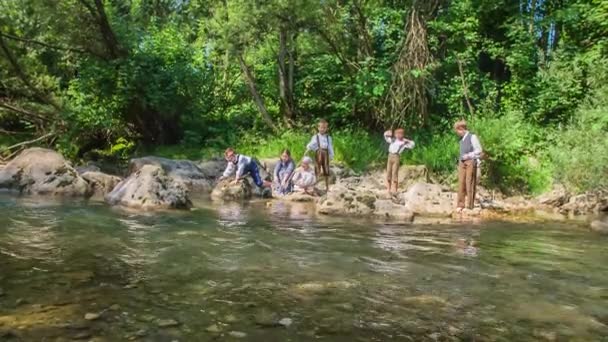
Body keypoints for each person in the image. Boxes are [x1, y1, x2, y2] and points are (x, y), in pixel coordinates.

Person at [453, 120, 483, 211]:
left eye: (457, 131)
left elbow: (479, 150)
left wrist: (469, 155)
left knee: (469, 182)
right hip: (462, 162)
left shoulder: (472, 137)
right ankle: (460, 205)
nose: (457, 133)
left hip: (470, 161)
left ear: (461, 129)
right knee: (461, 182)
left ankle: (470, 205)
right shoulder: (461, 140)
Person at [304, 119, 334, 192]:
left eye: (324, 128)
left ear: (326, 128)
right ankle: (315, 185)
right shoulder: (315, 137)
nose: (322, 129)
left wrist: (331, 155)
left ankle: (327, 187)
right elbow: (311, 144)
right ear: (318, 128)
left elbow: (330, 147)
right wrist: (308, 150)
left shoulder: (328, 138)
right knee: (317, 168)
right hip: (318, 153)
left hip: (326, 153)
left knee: (326, 170)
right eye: (321, 127)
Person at [384, 128, 415, 193]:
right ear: (395, 134)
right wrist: (387, 133)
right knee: (388, 172)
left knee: (395, 173)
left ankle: (394, 189)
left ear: (403, 134)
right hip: (390, 156)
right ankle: (388, 189)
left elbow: (412, 145)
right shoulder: (393, 140)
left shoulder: (403, 142)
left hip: (396, 156)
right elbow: (385, 137)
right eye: (397, 133)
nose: (399, 135)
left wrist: (407, 140)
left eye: (400, 133)